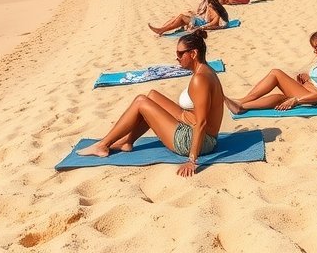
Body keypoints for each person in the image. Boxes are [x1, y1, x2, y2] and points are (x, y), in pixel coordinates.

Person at [76, 30, 223, 177]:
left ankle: (102, 145)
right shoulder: (205, 70)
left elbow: (202, 122)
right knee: (152, 96)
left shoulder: (200, 79)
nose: (177, 58)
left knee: (141, 101)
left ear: (193, 53)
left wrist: (192, 160)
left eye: (180, 54)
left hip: (198, 141)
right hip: (190, 122)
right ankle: (127, 141)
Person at [225, 31, 317, 113]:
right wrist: (308, 80)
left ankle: (241, 104)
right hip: (310, 91)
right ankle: (242, 104)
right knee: (280, 96)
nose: (315, 52)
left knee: (276, 73)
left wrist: (296, 100)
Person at [148, 0, 229, 35]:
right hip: (199, 19)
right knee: (176, 18)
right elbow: (200, 13)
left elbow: (215, 21)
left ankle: (161, 30)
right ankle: (161, 28)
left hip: (201, 22)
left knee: (181, 17)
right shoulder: (203, 3)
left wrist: (203, 27)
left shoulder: (211, 4)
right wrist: (192, 14)